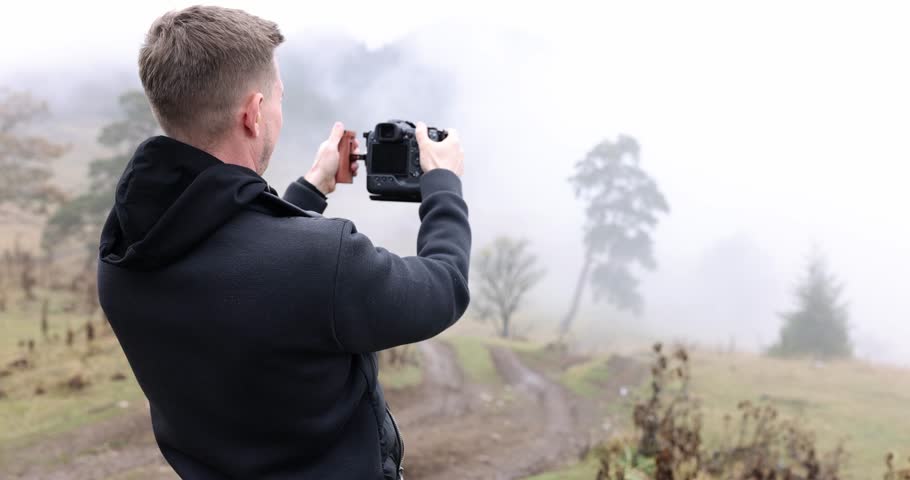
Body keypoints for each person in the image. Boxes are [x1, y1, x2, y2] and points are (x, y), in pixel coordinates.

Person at [96, 6, 470, 479]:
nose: (279, 111)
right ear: (253, 114)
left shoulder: (123, 253)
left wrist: (310, 190)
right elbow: (444, 287)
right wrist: (443, 184)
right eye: (278, 98)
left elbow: (246, 262)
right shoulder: (322, 261)